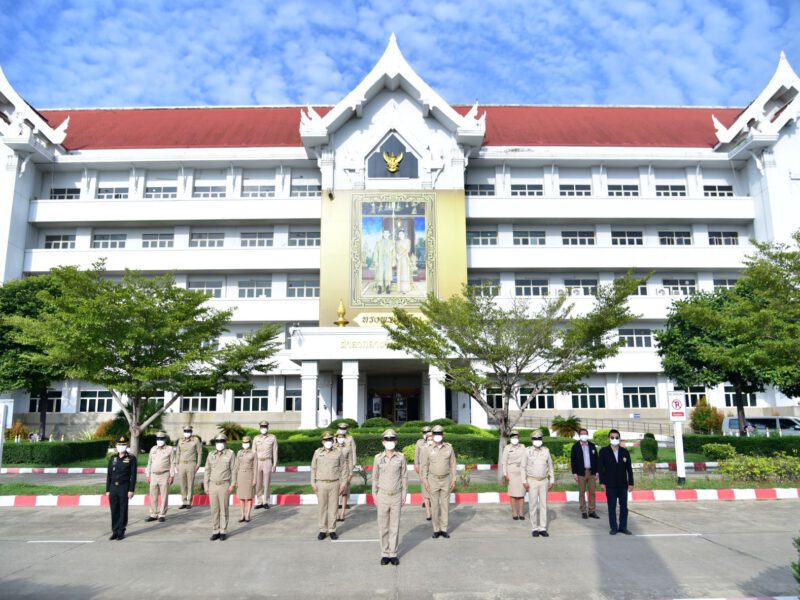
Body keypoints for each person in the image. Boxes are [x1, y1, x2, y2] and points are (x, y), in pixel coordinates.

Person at [372, 429, 408, 566]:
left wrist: (404, 494)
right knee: (383, 527)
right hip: (382, 496)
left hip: (396, 496)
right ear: (383, 442)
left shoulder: (401, 457)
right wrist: (374, 495)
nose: (389, 442)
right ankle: (384, 553)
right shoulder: (378, 458)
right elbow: (375, 478)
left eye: (392, 439)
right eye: (387, 439)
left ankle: (393, 553)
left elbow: (404, 476)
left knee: (394, 526)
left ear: (396, 441)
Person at [310, 431, 348, 540]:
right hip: (321, 483)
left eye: (330, 440)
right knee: (322, 507)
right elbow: (313, 468)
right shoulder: (317, 452)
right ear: (322, 441)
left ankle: (332, 529)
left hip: (334, 483)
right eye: (326, 440)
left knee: (333, 508)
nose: (328, 442)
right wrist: (313, 483)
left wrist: (343, 483)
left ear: (333, 440)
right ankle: (322, 529)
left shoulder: (338, 452)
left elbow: (344, 468)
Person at [420, 424, 456, 539]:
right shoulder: (427, 449)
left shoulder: (449, 448)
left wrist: (454, 478)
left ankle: (444, 529)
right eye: (435, 434)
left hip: (445, 479)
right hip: (433, 480)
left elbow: (453, 464)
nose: (437, 436)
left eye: (439, 434)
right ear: (432, 435)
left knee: (445, 505)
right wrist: (425, 480)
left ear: (443, 435)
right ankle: (436, 529)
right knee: (434, 506)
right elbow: (424, 466)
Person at [598, 429, 634, 535]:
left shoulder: (624, 452)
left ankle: (623, 527)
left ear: (620, 438)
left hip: (623, 485)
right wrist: (602, 482)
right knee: (612, 507)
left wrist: (631, 483)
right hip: (610, 485)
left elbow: (629, 469)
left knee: (624, 507)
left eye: (616, 437)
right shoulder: (604, 451)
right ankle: (613, 527)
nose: (614, 439)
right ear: (609, 439)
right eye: (612, 437)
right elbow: (601, 469)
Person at [521, 430, 554, 538]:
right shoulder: (527, 451)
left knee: (544, 505)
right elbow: (523, 467)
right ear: (532, 440)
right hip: (532, 481)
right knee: (533, 505)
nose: (537, 441)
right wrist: (524, 481)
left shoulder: (546, 451)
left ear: (542, 440)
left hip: (544, 481)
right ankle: (534, 528)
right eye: (535, 439)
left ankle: (543, 528)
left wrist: (552, 480)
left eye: (539, 439)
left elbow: (550, 466)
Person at [204, 434, 237, 541]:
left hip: (224, 484)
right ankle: (215, 530)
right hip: (213, 485)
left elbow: (234, 470)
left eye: (222, 441)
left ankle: (223, 530)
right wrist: (206, 485)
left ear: (225, 442)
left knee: (224, 508)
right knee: (214, 509)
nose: (219, 443)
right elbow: (207, 471)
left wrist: (232, 484)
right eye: (217, 441)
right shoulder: (211, 454)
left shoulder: (230, 454)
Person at [106, 435, 137, 540]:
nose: (121, 446)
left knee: (123, 510)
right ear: (116, 446)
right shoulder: (113, 458)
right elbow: (109, 475)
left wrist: (131, 490)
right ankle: (114, 531)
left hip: (124, 487)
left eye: (123, 445)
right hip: (113, 488)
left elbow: (133, 476)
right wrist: (107, 490)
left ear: (127, 445)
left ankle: (121, 531)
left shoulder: (131, 458)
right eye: (119, 444)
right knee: (114, 510)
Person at [144, 431, 175, 523]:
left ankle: (162, 514)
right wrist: (148, 474)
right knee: (153, 496)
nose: (159, 440)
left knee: (164, 496)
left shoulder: (169, 449)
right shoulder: (153, 449)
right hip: (154, 475)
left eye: (161, 439)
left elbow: (172, 463)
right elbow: (149, 462)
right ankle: (153, 514)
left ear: (165, 440)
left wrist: (172, 475)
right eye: (158, 439)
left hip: (164, 475)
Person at [570, 428, 600, 520]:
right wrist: (574, 473)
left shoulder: (592, 446)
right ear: (579, 435)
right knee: (582, 493)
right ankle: (583, 511)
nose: (584, 435)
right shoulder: (575, 447)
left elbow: (597, 459)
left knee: (592, 493)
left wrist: (597, 472)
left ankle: (592, 511)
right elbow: (573, 461)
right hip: (581, 473)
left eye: (585, 434)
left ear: (587, 435)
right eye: (582, 434)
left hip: (592, 472)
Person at [175, 425, 203, 509]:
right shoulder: (180, 440)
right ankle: (184, 501)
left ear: (191, 432)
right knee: (183, 483)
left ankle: (189, 501)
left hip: (191, 464)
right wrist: (176, 464)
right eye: (185, 431)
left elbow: (200, 452)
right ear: (183, 432)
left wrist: (198, 464)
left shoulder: (196, 440)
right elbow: (177, 453)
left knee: (190, 483)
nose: (187, 433)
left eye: (189, 431)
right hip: (181, 464)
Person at [502, 429, 526, 520]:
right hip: (511, 472)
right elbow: (504, 462)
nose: (514, 438)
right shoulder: (507, 448)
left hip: (521, 472)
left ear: (519, 437)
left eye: (516, 437)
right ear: (510, 438)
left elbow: (526, 459)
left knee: (521, 494)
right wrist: (505, 474)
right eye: (513, 437)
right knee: (513, 494)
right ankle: (514, 512)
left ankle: (521, 512)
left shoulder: (523, 447)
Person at [254, 420, 278, 510]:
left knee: (267, 482)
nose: (263, 428)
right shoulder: (256, 438)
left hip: (268, 461)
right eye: (262, 427)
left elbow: (275, 451)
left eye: (265, 427)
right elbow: (253, 451)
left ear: (267, 427)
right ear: (260, 428)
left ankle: (266, 501)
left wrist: (274, 464)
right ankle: (259, 501)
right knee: (258, 483)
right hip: (258, 462)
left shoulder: (272, 438)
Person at [336, 422, 357, 522]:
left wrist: (353, 464)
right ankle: (336, 512)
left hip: (346, 466)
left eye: (344, 428)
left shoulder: (350, 438)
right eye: (341, 428)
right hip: (335, 469)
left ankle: (343, 513)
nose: (342, 429)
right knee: (335, 491)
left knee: (344, 490)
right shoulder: (334, 438)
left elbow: (353, 451)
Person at [414, 426, 434, 521]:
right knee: (424, 488)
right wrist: (416, 464)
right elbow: (416, 454)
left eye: (428, 431)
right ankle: (428, 512)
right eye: (424, 432)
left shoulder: (435, 441)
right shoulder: (420, 442)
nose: (426, 433)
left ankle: (431, 505)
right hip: (423, 469)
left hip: (433, 470)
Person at [236, 436, 257, 523]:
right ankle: (242, 515)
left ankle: (248, 514)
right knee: (241, 497)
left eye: (247, 442)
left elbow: (255, 467)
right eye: (244, 443)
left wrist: (254, 479)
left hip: (249, 475)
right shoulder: (239, 452)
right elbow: (236, 466)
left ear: (250, 443)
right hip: (240, 475)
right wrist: (235, 479)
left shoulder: (253, 453)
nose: (245, 444)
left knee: (248, 497)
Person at [372, 229, 395, 294]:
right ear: (383, 234)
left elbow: (394, 253)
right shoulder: (378, 242)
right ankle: (380, 288)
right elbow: (376, 252)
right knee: (380, 274)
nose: (386, 234)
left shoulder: (392, 243)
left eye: (387, 233)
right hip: (380, 261)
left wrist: (393, 261)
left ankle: (388, 288)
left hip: (388, 261)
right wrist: (375, 261)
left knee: (388, 274)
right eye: (384, 233)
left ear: (389, 234)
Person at [395, 229, 413, 293]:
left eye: (402, 234)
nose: (401, 235)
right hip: (399, 259)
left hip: (405, 258)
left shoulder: (407, 241)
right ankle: (400, 289)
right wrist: (397, 255)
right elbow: (396, 250)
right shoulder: (397, 242)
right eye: (399, 234)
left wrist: (400, 255)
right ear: (398, 235)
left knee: (405, 272)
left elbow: (407, 250)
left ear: (404, 234)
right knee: (400, 272)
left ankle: (405, 289)